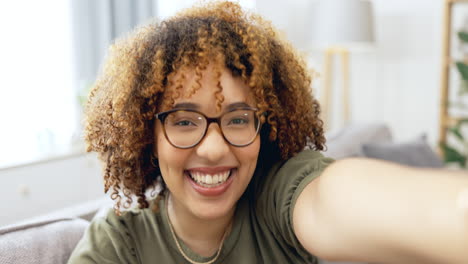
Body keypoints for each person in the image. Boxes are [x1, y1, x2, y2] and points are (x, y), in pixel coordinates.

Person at [68, 1, 468, 263]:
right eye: (184, 121)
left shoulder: (278, 197)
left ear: (267, 126)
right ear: (146, 136)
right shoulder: (119, 245)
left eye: (238, 119)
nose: (212, 148)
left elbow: (336, 200)